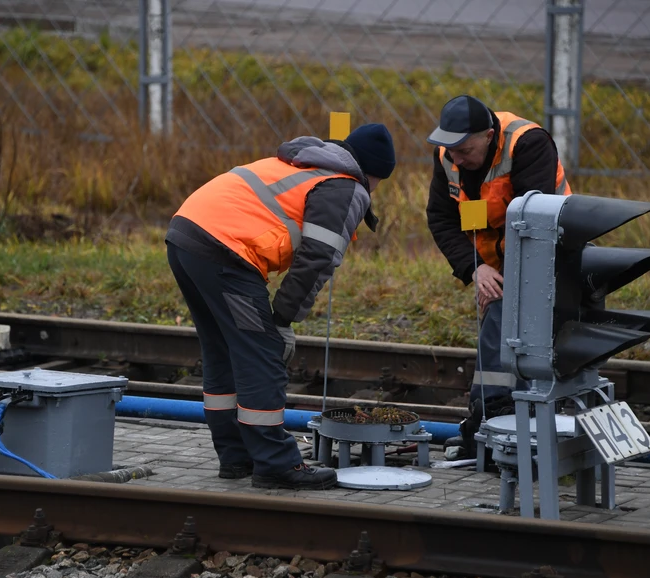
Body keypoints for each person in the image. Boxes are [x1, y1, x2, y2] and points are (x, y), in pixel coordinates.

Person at [166, 124, 396, 490]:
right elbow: (318, 257)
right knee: (262, 351)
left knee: (223, 350)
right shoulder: (346, 187)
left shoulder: (304, 162)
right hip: (225, 252)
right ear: (374, 175)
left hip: (185, 236)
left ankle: (236, 456)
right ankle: (275, 463)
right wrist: (282, 320)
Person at [425, 95, 571, 458]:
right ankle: (492, 421)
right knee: (500, 334)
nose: (455, 158)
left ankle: (492, 420)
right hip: (495, 265)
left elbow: (531, 222)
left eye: (464, 149)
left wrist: (502, 280)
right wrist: (477, 269)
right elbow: (442, 218)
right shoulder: (448, 155)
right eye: (450, 149)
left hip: (549, 251)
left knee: (509, 331)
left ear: (490, 136)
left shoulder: (529, 144)